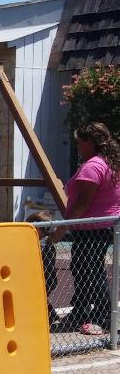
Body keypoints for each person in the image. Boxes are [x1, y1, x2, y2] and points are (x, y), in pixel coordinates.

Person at [49, 122, 120, 335]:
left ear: (91, 142)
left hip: (92, 227)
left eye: (80, 143)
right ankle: (80, 311)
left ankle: (104, 318)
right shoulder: (109, 162)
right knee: (81, 268)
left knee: (91, 271)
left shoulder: (93, 166)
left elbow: (82, 203)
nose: (78, 147)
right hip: (103, 225)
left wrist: (62, 228)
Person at [28, 211, 60, 324]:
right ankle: (52, 315)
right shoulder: (47, 243)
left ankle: (48, 317)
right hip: (49, 279)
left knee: (36, 298)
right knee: (40, 298)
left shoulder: (39, 245)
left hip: (43, 279)